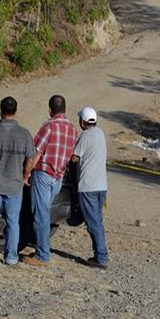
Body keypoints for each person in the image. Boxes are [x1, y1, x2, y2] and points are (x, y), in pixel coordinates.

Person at [22, 94, 77, 266]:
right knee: (44, 213)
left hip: (44, 174)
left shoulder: (49, 126)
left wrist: (25, 174)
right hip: (58, 178)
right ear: (65, 109)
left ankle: (42, 255)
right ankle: (41, 248)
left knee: (41, 214)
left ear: (50, 110)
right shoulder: (72, 129)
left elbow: (35, 153)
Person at [0, 97, 36, 265]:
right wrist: (25, 176)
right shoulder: (25, 134)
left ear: (0, 111)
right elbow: (31, 160)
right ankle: (11, 256)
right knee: (13, 222)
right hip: (14, 185)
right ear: (16, 111)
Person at [71, 107, 108, 269]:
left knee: (93, 223)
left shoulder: (85, 136)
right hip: (101, 185)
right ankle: (99, 254)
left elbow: (74, 158)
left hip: (88, 186)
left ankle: (101, 257)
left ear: (82, 121)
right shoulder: (100, 134)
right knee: (97, 220)